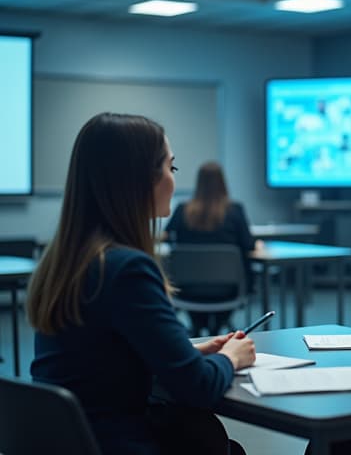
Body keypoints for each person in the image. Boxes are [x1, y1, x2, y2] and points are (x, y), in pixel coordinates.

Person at [27, 113, 255, 455]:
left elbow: (100, 357)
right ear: (138, 180)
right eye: (170, 168)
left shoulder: (65, 262)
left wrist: (186, 351)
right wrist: (231, 358)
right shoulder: (127, 270)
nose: (173, 182)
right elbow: (200, 388)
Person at [164, 161, 262, 336]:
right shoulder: (235, 210)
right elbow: (248, 245)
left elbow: (166, 236)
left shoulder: (182, 210)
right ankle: (217, 328)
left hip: (187, 288)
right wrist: (258, 244)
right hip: (228, 289)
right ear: (222, 182)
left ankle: (199, 327)